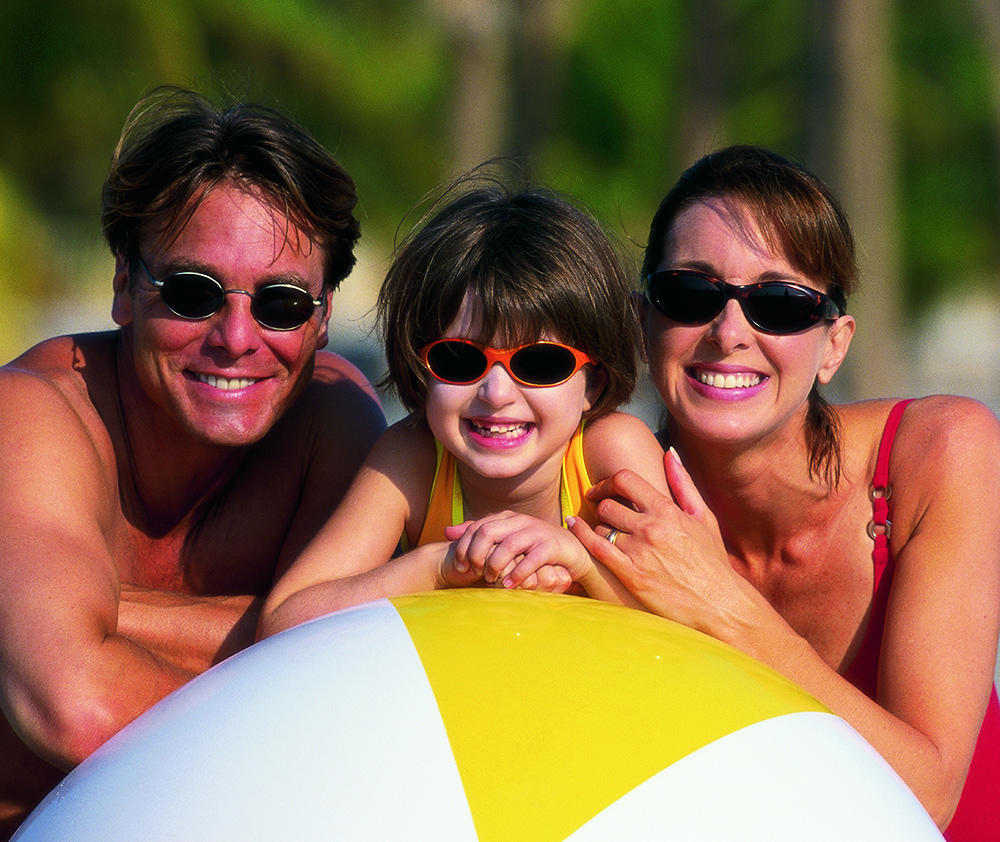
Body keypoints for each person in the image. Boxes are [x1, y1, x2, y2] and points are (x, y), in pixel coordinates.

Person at [567, 145, 1000, 839]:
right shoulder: (601, 496)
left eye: (779, 303)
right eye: (690, 294)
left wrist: (726, 610)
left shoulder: (940, 454)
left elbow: (927, 797)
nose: (730, 332)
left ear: (834, 345)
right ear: (643, 324)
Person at [0, 87, 385, 836]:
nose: (237, 337)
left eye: (280, 303)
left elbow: (350, 672)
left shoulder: (331, 427)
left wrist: (114, 615)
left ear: (324, 317)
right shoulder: (33, 415)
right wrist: (280, 635)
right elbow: (74, 708)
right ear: (123, 286)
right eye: (192, 292)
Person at [257, 174, 667, 638]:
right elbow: (283, 622)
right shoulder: (414, 459)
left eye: (539, 363)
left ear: (593, 383)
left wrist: (583, 564)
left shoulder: (609, 459)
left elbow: (690, 612)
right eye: (460, 358)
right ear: (421, 366)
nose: (496, 393)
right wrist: (439, 565)